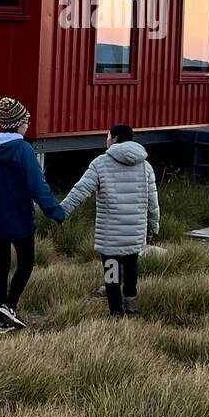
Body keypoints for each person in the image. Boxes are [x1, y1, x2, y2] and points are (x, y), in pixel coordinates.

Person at [0, 96, 65, 334]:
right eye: (26, 121)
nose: (28, 126)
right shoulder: (23, 149)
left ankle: (2, 321)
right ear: (18, 123)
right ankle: (10, 305)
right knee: (25, 263)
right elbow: (38, 185)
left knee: (1, 267)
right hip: (19, 218)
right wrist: (55, 211)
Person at [60, 123, 159, 318]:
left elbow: (80, 191)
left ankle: (116, 312)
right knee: (131, 266)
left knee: (112, 273)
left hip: (111, 236)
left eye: (108, 135)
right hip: (134, 233)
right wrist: (154, 226)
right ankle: (131, 304)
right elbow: (152, 201)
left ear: (113, 139)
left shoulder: (100, 163)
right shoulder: (145, 166)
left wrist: (61, 211)